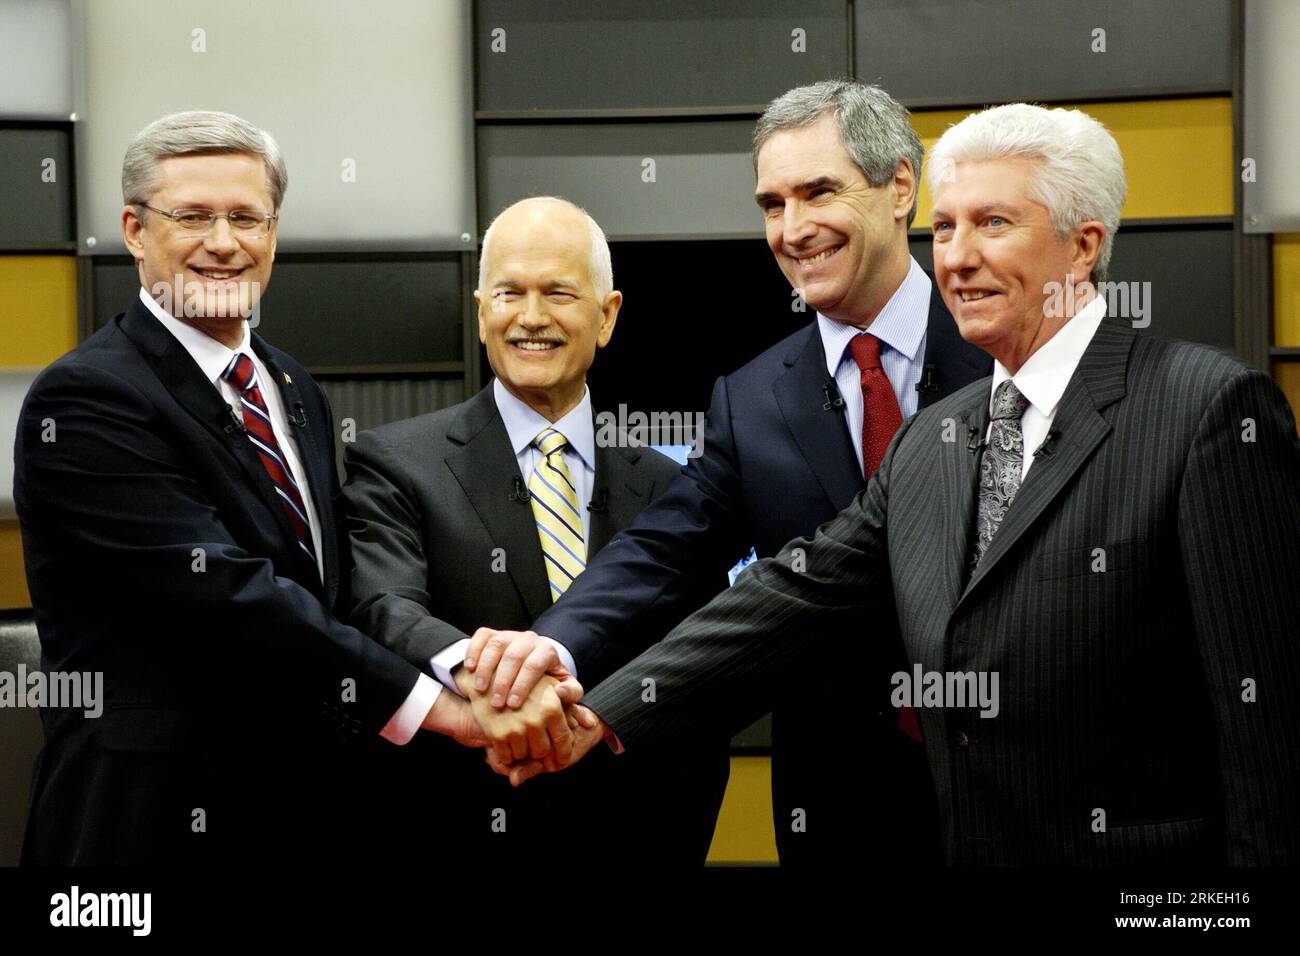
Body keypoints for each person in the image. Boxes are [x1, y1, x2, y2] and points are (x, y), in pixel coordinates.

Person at [505, 103, 1300, 866]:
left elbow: (1269, 728)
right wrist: (596, 710)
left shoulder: (1208, 412)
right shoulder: (936, 440)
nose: (955, 256)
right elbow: (790, 594)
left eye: (993, 224)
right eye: (946, 227)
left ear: (1083, 245)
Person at [465, 81, 990, 866]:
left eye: (818, 192)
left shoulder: (1002, 340)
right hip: (842, 810)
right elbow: (666, 551)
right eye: (772, 204)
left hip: (1018, 779)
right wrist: (552, 650)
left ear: (901, 188)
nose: (794, 228)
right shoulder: (750, 400)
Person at [15, 111, 484, 866]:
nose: (225, 244)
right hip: (150, 825)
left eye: (247, 218)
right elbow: (231, 599)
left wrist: (464, 660)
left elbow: (336, 584)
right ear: (135, 231)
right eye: (193, 217)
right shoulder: (86, 402)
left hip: (299, 814)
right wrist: (437, 709)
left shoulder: (291, 384)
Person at [343, 197, 729, 864]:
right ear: (480, 311)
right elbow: (383, 609)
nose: (531, 317)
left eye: (557, 293)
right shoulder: (395, 464)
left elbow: (705, 670)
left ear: (607, 316)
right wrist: (490, 676)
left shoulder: (671, 489)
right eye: (509, 293)